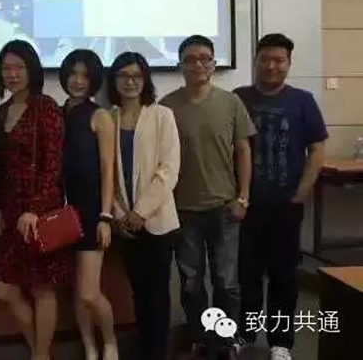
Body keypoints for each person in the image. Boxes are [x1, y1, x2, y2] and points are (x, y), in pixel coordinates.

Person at [160, 35, 256, 359]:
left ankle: (225, 340)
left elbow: (243, 151)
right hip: (183, 211)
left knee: (226, 282)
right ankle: (200, 338)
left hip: (224, 208)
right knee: (191, 282)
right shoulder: (167, 107)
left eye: (205, 58)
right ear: (180, 65)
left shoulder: (231, 103)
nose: (198, 64)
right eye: (190, 59)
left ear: (214, 64)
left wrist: (243, 197)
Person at [234, 34, 327, 360]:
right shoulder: (239, 97)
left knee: (283, 276)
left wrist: (302, 192)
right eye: (265, 59)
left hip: (286, 205)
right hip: (246, 205)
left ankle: (281, 342)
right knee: (246, 274)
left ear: (288, 63)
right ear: (256, 61)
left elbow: (317, 150)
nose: (272, 66)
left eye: (279, 60)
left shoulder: (303, 101)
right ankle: (245, 333)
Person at [0, 39, 70, 360]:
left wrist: (35, 209)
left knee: (42, 288)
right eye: (6, 68)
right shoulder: (2, 111)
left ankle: (40, 355)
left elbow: (53, 166)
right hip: (10, 213)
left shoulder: (46, 107)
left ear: (32, 70)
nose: (12, 74)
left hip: (40, 212)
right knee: (5, 289)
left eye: (19, 67)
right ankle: (41, 352)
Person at [108, 52, 181, 360]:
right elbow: (106, 174)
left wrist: (141, 212)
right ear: (114, 81)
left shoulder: (162, 115)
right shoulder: (107, 117)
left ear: (145, 79)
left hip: (157, 221)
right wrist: (120, 214)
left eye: (137, 76)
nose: (130, 82)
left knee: (158, 295)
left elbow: (169, 169)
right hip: (124, 223)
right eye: (123, 76)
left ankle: (157, 352)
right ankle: (145, 348)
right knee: (138, 292)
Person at [58, 50, 119, 360]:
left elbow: (108, 170)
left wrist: (105, 216)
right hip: (59, 214)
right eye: (72, 73)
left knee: (88, 291)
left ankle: (111, 343)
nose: (78, 81)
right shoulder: (56, 113)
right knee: (76, 291)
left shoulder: (100, 116)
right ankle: (90, 349)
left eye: (84, 75)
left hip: (92, 212)